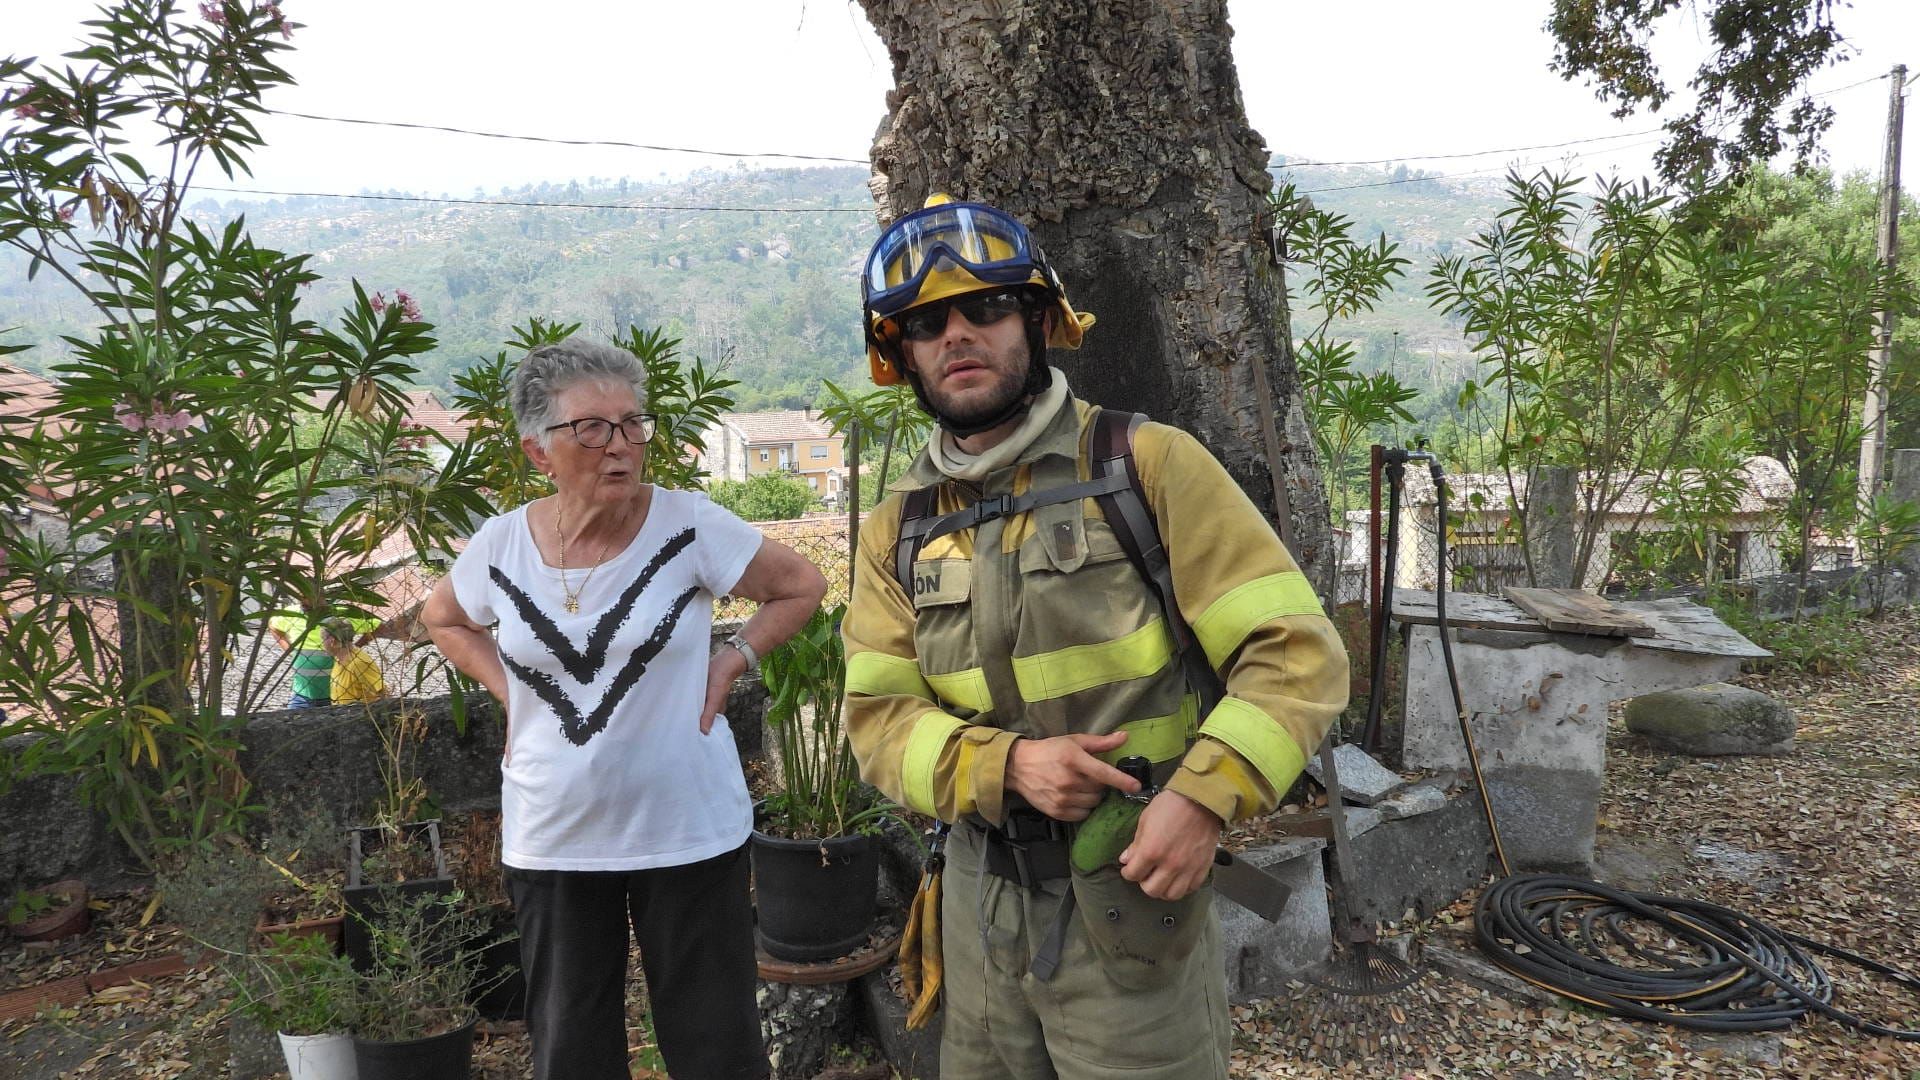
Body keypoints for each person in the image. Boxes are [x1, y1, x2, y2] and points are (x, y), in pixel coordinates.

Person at [840, 195, 1351, 1078]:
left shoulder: (1144, 465)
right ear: (903, 354)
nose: (957, 333)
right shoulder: (897, 529)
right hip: (978, 908)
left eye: (987, 306)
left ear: (1040, 321)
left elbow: (1294, 654)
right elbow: (877, 719)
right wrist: (1004, 769)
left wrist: (1200, 799)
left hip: (1128, 897)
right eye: (926, 322)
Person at [421, 337, 826, 1080]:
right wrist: (509, 692)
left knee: (716, 1047)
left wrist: (734, 659)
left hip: (688, 829)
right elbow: (444, 617)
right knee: (571, 1046)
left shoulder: (690, 525)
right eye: (594, 428)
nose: (622, 446)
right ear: (538, 452)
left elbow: (800, 584)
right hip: (555, 836)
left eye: (633, 424)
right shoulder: (501, 546)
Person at [267, 609, 331, 709]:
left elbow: (365, 626)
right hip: (301, 695)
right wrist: (290, 651)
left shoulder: (338, 612)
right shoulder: (293, 612)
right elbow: (272, 625)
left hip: (334, 694)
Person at [321, 619, 386, 704]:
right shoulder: (339, 658)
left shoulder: (359, 663)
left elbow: (381, 694)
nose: (322, 643)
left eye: (323, 639)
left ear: (332, 641)